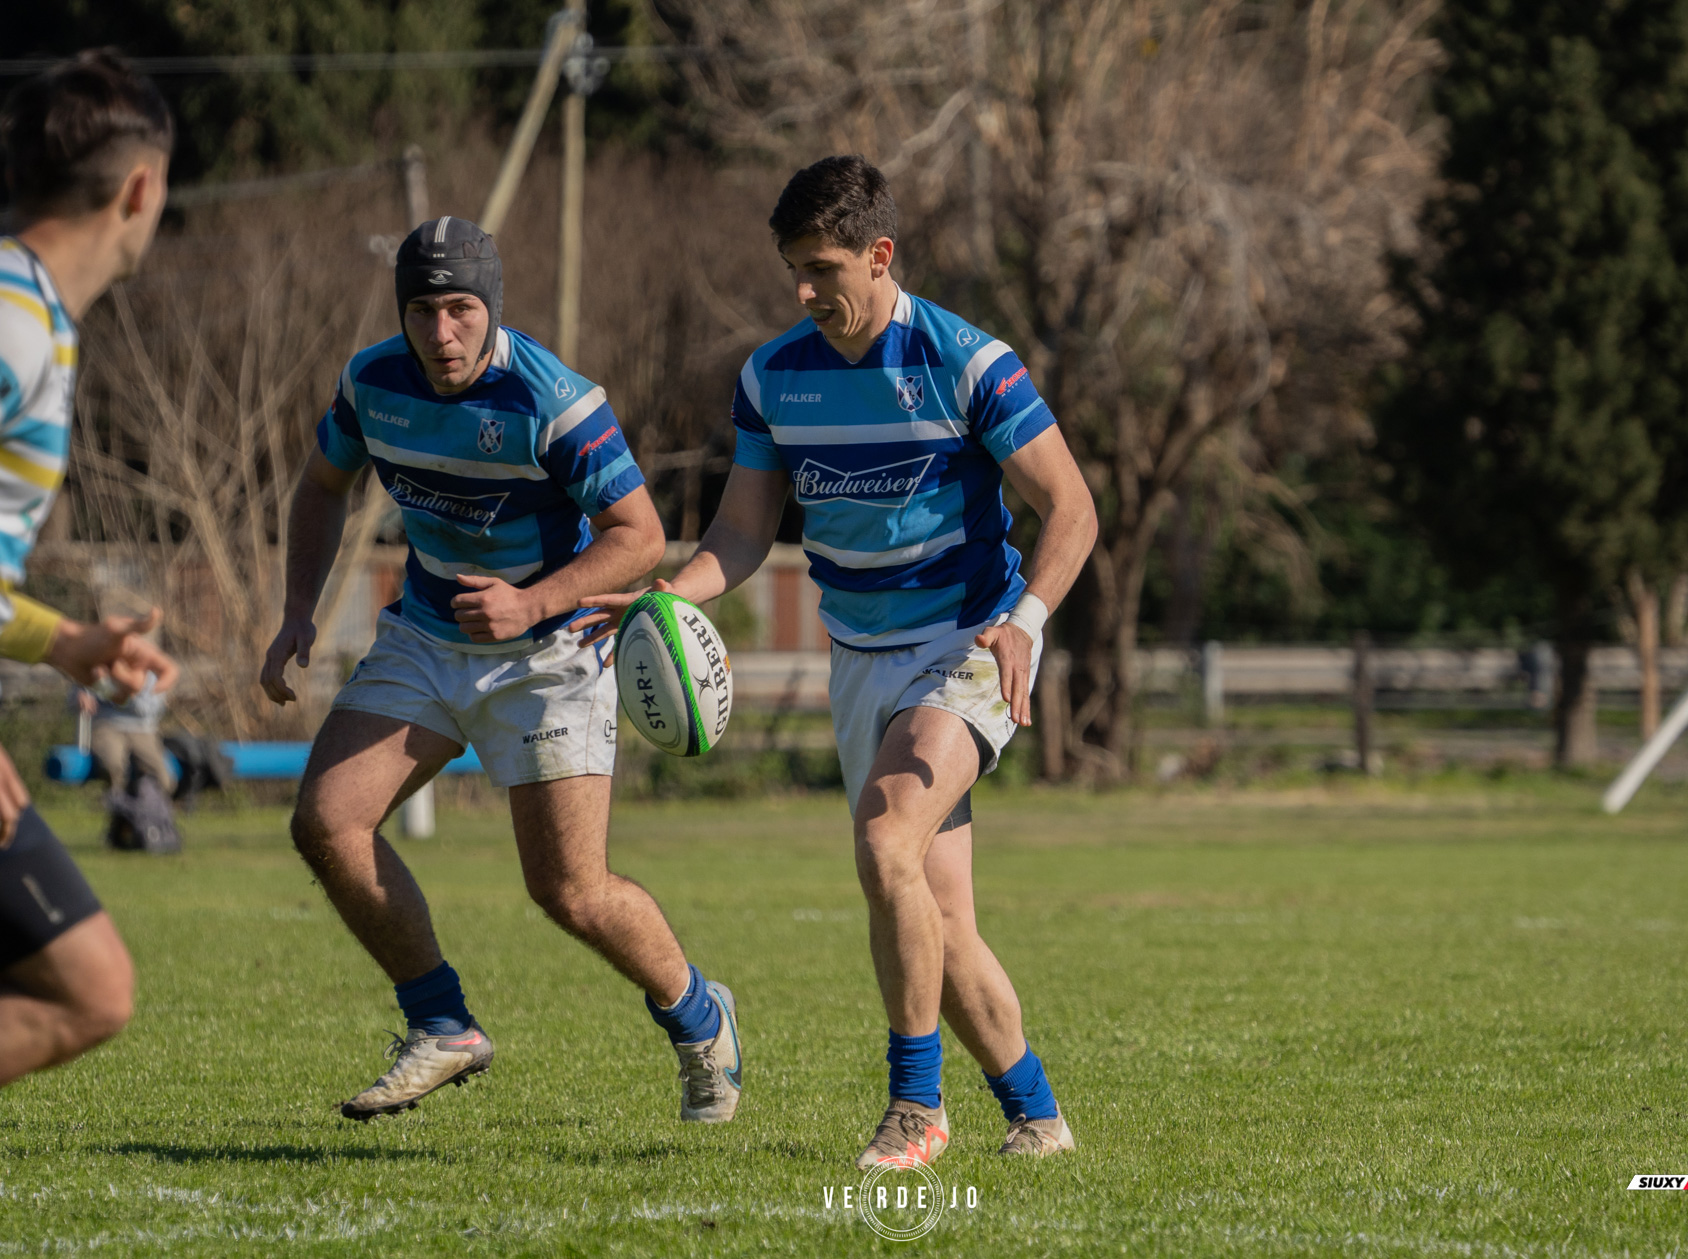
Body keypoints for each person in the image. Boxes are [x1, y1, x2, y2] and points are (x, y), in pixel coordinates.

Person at [581, 156, 1096, 1164]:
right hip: (860, 661)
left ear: (881, 253)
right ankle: (1037, 1114)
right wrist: (664, 598)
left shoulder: (966, 363)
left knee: (884, 840)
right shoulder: (775, 375)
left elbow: (1071, 506)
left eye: (822, 268)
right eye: (793, 272)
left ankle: (916, 1106)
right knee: (935, 916)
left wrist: (1027, 617)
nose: (805, 291)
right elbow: (741, 530)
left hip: (969, 644)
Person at [260, 216, 743, 1123]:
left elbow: (640, 537)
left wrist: (534, 601)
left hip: (549, 658)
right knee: (327, 820)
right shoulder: (371, 383)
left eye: (459, 310)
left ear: (492, 309)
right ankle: (441, 1022)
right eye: (421, 311)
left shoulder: (554, 402)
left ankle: (697, 1012)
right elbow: (322, 484)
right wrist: (298, 607)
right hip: (427, 638)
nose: (441, 333)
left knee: (569, 891)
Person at [0, 51, 181, 1086]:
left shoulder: (36, 321)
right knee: (86, 983)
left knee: (90, 985)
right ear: (139, 190)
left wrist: (62, 641)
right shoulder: (13, 326)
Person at [76, 670, 175, 796]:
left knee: (165, 780)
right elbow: (80, 686)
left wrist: (122, 694)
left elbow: (147, 708)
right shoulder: (103, 664)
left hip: (143, 729)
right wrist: (81, 695)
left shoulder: (152, 671)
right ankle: (117, 803)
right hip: (107, 724)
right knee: (113, 765)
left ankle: (147, 805)